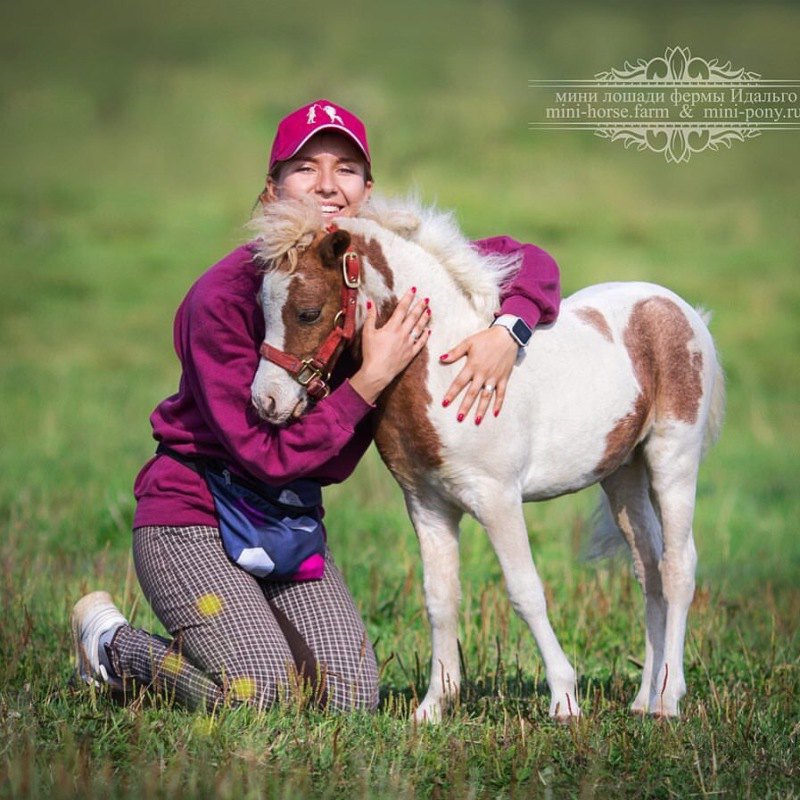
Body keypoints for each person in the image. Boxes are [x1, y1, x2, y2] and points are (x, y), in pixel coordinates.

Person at [71, 99, 560, 712]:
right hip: (192, 516)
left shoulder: (380, 263)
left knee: (352, 698)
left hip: (289, 525)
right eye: (305, 168)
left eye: (347, 169)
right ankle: (114, 647)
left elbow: (531, 261)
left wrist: (508, 331)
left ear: (367, 191)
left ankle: (239, 638)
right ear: (272, 189)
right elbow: (265, 456)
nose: (327, 184)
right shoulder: (221, 299)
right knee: (264, 693)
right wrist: (369, 380)